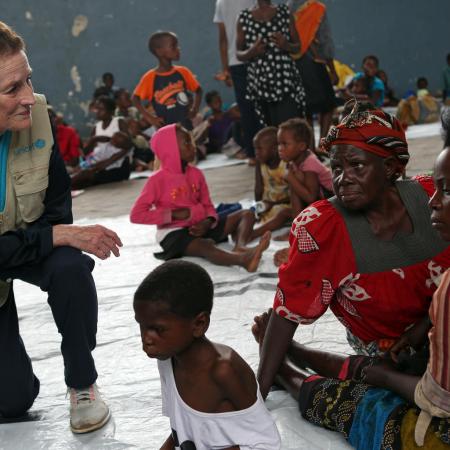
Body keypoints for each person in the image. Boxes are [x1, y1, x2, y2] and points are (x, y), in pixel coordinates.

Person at [257, 102, 450, 401]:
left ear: (389, 168)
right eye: (336, 168)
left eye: (356, 165)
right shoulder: (324, 227)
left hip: (439, 323)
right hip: (384, 343)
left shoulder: (432, 198)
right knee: (400, 376)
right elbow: (288, 309)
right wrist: (260, 388)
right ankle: (294, 358)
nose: (343, 178)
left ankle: (298, 356)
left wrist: (424, 327)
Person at [0, 21, 123, 433]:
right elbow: (55, 231)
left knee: (70, 264)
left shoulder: (38, 121)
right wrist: (55, 235)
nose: (27, 98)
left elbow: (55, 214)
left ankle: (83, 385)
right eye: (11, 89)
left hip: (28, 245)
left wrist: (57, 236)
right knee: (12, 400)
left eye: (27, 80)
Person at [134, 260, 281, 449]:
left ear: (199, 324)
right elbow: (180, 433)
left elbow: (266, 442)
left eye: (158, 329)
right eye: (142, 325)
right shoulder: (167, 359)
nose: (147, 338)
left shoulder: (224, 370)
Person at [130, 123, 271, 272]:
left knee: (247, 214)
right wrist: (173, 214)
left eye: (191, 141)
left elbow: (208, 205)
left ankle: (240, 247)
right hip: (173, 233)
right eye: (187, 142)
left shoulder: (196, 174)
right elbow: (137, 215)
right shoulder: (157, 180)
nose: (194, 146)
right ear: (170, 149)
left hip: (200, 226)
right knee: (206, 246)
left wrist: (208, 221)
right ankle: (243, 260)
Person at [236, 0, 306, 127]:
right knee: (271, 132)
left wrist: (286, 45)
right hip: (260, 84)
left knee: (290, 127)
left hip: (285, 80)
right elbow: (238, 54)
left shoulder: (284, 12)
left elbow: (298, 46)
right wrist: (251, 51)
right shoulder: (244, 17)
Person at [213, 0, 262, 163]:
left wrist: (226, 68)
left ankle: (252, 154)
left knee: (246, 109)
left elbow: (222, 38)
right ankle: (266, 148)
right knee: (263, 105)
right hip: (259, 56)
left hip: (236, 61)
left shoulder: (221, 2)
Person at [287, 0, 338, 144]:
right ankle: (323, 143)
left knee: (306, 108)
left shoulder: (287, 8)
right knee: (328, 105)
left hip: (294, 64)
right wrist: (332, 70)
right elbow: (324, 39)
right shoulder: (317, 8)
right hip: (315, 61)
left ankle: (310, 148)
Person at [132, 31, 202, 131]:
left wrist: (194, 109)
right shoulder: (150, 77)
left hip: (186, 127)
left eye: (177, 46)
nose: (178, 49)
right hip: (165, 130)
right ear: (159, 51)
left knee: (188, 146)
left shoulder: (183, 72)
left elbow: (198, 90)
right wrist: (150, 118)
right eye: (173, 46)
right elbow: (135, 99)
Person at [251, 127, 291, 240]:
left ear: (274, 149)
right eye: (255, 149)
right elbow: (258, 188)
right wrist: (258, 208)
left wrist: (272, 204)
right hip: (267, 205)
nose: (256, 153)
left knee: (279, 212)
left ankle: (254, 233)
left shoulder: (286, 164)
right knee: (247, 213)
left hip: (284, 204)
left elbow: (295, 196)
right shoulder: (260, 163)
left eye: (259, 149)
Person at [204, 90, 243, 158]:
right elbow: (206, 138)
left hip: (232, 142)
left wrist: (227, 114)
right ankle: (229, 149)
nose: (219, 103)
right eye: (216, 102)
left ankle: (233, 149)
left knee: (235, 124)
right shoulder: (208, 118)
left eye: (220, 101)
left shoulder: (228, 112)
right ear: (209, 105)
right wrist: (207, 125)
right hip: (218, 145)